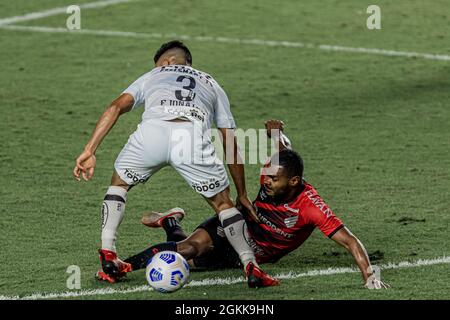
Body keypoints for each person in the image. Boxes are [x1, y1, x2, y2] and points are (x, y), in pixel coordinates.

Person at [72, 40, 277, 288]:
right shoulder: (211, 83)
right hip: (189, 137)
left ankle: (108, 254)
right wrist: (242, 193)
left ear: (166, 62)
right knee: (223, 204)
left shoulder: (153, 75)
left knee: (119, 184)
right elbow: (229, 139)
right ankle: (251, 266)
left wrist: (89, 150)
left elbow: (116, 107)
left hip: (152, 134)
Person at [116, 120, 389, 289]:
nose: (266, 181)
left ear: (293, 182)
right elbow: (282, 147)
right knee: (189, 247)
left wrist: (369, 276)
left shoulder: (310, 207)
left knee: (192, 260)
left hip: (251, 253)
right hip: (236, 225)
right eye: (265, 175)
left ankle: (170, 221)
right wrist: (276, 132)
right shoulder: (278, 169)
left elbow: (350, 241)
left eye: (274, 179)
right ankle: (120, 265)